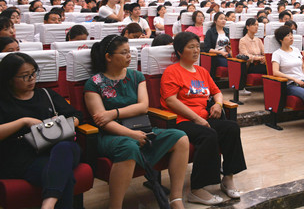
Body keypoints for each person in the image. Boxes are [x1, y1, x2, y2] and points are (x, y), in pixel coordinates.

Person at [84, 35, 189, 209]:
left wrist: (114, 113)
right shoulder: (94, 84)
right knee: (128, 146)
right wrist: (131, 134)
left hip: (141, 127)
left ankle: (175, 198)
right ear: (108, 57)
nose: (129, 56)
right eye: (124, 52)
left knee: (180, 138)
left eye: (130, 52)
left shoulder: (136, 76)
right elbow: (102, 121)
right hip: (111, 134)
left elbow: (143, 107)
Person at [161, 32, 246, 204]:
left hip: (203, 118)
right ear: (179, 51)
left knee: (231, 128)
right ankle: (197, 189)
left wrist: (218, 104)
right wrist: (196, 118)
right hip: (181, 121)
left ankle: (227, 178)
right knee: (208, 134)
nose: (196, 50)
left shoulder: (201, 71)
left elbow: (217, 92)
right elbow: (171, 100)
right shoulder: (172, 72)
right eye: (190, 47)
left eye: (197, 47)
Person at [0, 53, 83, 209]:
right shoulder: (3, 102)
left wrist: (59, 123)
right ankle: (49, 204)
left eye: (33, 73)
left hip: (57, 148)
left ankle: (48, 205)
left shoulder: (46, 94)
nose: (32, 79)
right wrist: (23, 121)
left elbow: (77, 116)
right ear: (9, 79)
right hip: (24, 157)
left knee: (64, 148)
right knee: (64, 176)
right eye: (25, 76)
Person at [272, 25, 304, 117]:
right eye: (288, 35)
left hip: (303, 81)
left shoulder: (296, 50)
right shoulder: (277, 54)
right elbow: (275, 72)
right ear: (281, 39)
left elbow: (303, 67)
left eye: (291, 35)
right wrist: (294, 79)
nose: (291, 37)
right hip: (290, 84)